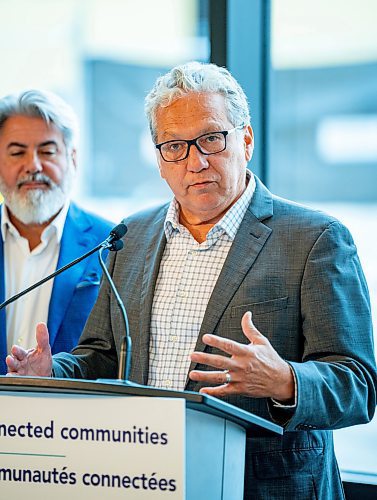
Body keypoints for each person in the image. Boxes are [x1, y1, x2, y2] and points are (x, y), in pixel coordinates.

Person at [6, 63, 377, 499]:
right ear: (160, 159)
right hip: (145, 479)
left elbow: (358, 385)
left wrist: (285, 380)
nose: (195, 161)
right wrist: (53, 371)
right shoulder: (131, 235)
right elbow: (103, 356)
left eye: (211, 139)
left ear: (246, 139)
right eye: (175, 146)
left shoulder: (315, 239)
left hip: (263, 487)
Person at [0, 89, 113, 375]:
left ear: (72, 158)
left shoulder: (111, 243)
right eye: (17, 152)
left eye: (47, 151)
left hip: (72, 416)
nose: (34, 166)